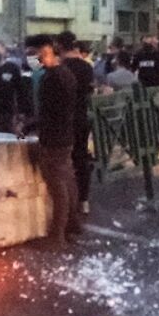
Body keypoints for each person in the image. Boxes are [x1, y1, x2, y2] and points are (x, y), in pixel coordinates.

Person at [25, 34, 80, 247]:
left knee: (58, 187)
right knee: (67, 181)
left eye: (36, 53)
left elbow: (48, 114)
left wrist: (27, 129)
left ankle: (57, 237)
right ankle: (73, 225)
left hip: (53, 139)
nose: (34, 58)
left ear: (48, 52)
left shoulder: (52, 78)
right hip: (65, 135)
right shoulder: (66, 74)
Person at [56, 32, 95, 217]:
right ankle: (83, 201)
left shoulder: (60, 68)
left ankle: (65, 204)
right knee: (81, 159)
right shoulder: (86, 67)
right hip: (81, 118)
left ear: (60, 46)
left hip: (63, 120)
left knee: (62, 162)